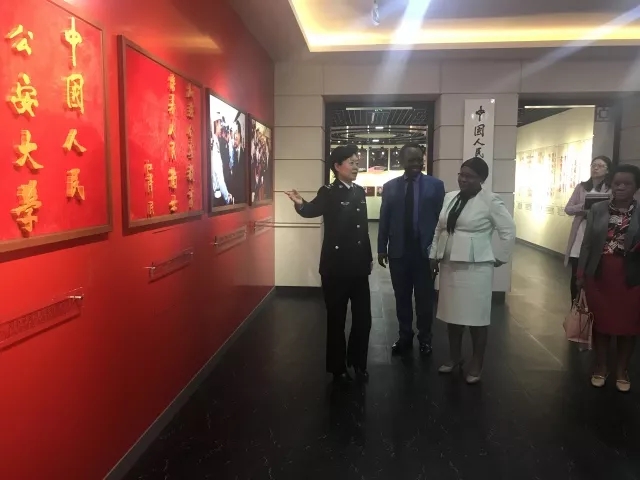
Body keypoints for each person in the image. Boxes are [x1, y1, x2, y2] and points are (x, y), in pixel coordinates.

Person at [285, 145, 373, 384]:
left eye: (357, 162)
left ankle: (358, 362)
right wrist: (300, 203)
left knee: (363, 319)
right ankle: (337, 368)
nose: (355, 167)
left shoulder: (359, 192)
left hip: (358, 267)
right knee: (336, 319)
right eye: (351, 162)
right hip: (335, 268)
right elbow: (311, 210)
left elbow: (363, 230)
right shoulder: (329, 192)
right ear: (337, 166)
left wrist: (368, 258)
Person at [430, 157, 516, 384]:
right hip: (449, 263)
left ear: (482, 179)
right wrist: (433, 254)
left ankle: (477, 363)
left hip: (476, 267)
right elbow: (440, 228)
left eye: (469, 176)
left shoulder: (491, 200)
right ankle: (455, 357)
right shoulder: (450, 197)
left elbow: (508, 230)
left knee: (476, 317)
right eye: (461, 174)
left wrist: (501, 257)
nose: (463, 179)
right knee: (452, 315)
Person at [576, 164, 640, 393]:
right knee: (601, 324)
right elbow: (587, 244)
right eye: (617, 183)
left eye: (627, 184)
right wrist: (581, 273)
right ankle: (601, 367)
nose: (620, 187)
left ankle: (622, 370)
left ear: (636, 187)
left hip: (632, 276)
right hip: (600, 274)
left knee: (629, 325)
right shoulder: (598, 209)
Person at [378, 143, 445, 356]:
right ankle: (405, 336)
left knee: (425, 300)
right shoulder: (390, 187)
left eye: (419, 159)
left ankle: (425, 339)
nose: (416, 164)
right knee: (402, 298)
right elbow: (384, 219)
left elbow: (441, 222)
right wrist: (381, 247)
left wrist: (438, 251)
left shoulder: (436, 185)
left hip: (425, 253)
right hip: (399, 252)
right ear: (401, 161)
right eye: (411, 160)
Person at [564, 156, 612, 303]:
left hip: (599, 232)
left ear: (607, 170)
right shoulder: (582, 187)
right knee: (576, 272)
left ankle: (590, 307)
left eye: (600, 165)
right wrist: (585, 205)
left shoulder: (610, 189)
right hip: (581, 231)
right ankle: (575, 306)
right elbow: (568, 208)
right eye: (593, 165)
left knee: (595, 272)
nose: (595, 168)